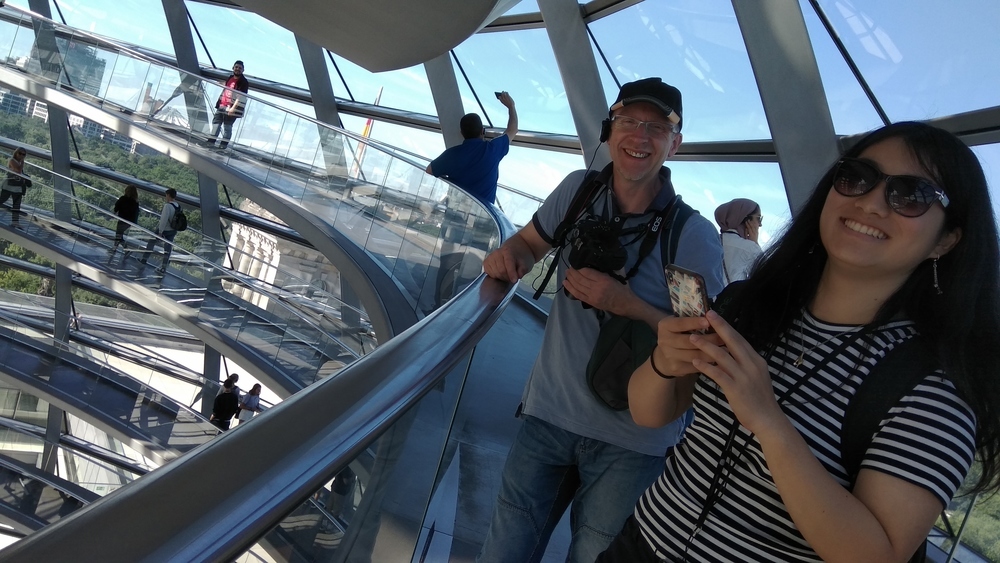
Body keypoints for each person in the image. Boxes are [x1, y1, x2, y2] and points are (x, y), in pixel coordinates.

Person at [598, 121, 1000, 562]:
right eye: (857, 177)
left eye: (911, 195)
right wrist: (664, 363)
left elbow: (875, 555)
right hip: (640, 543)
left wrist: (769, 421)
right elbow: (649, 413)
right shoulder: (750, 306)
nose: (870, 202)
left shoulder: (933, 386)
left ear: (946, 240)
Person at [477, 78, 724, 562]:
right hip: (549, 412)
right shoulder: (578, 192)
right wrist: (508, 256)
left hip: (632, 443)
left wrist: (628, 303)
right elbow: (528, 243)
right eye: (629, 122)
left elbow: (704, 343)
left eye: (657, 127)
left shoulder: (690, 235)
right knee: (503, 550)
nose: (640, 136)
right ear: (610, 130)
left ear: (675, 144)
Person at [426, 91, 518, 205]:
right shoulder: (492, 150)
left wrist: (451, 179)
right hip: (483, 216)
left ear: (462, 133)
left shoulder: (452, 154)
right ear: (482, 131)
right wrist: (511, 106)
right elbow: (512, 129)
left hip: (454, 213)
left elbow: (429, 170)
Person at [714, 197, 763, 283]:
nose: (760, 224)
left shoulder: (711, 240)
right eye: (758, 218)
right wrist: (755, 244)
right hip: (734, 296)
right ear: (746, 219)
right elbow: (768, 275)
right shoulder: (750, 248)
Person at [206, 60, 249, 149]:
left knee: (227, 127)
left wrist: (233, 108)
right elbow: (228, 87)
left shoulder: (243, 82)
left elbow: (240, 97)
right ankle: (210, 143)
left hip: (231, 108)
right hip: (222, 105)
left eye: (240, 68)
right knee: (216, 124)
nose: (238, 69)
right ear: (233, 68)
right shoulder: (230, 78)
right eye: (236, 67)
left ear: (243, 70)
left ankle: (222, 146)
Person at [139, 188, 181, 273]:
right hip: (173, 230)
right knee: (167, 249)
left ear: (169, 195)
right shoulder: (178, 207)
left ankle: (144, 259)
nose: (166, 197)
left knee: (151, 243)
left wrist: (160, 232)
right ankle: (163, 267)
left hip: (164, 230)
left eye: (166, 195)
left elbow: (163, 220)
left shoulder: (167, 206)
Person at [1, 147, 30, 225]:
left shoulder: (19, 162)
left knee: (16, 205)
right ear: (16, 153)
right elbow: (18, 170)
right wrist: (23, 163)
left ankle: (15, 222)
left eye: (23, 154)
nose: (21, 155)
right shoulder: (12, 160)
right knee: (2, 200)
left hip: (17, 187)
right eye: (20, 153)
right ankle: (15, 221)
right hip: (9, 185)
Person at [110, 184, 140, 253]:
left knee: (118, 235)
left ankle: (121, 249)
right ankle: (117, 249)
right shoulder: (135, 202)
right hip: (129, 222)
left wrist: (113, 214)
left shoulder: (123, 199)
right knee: (119, 235)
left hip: (122, 220)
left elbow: (116, 207)